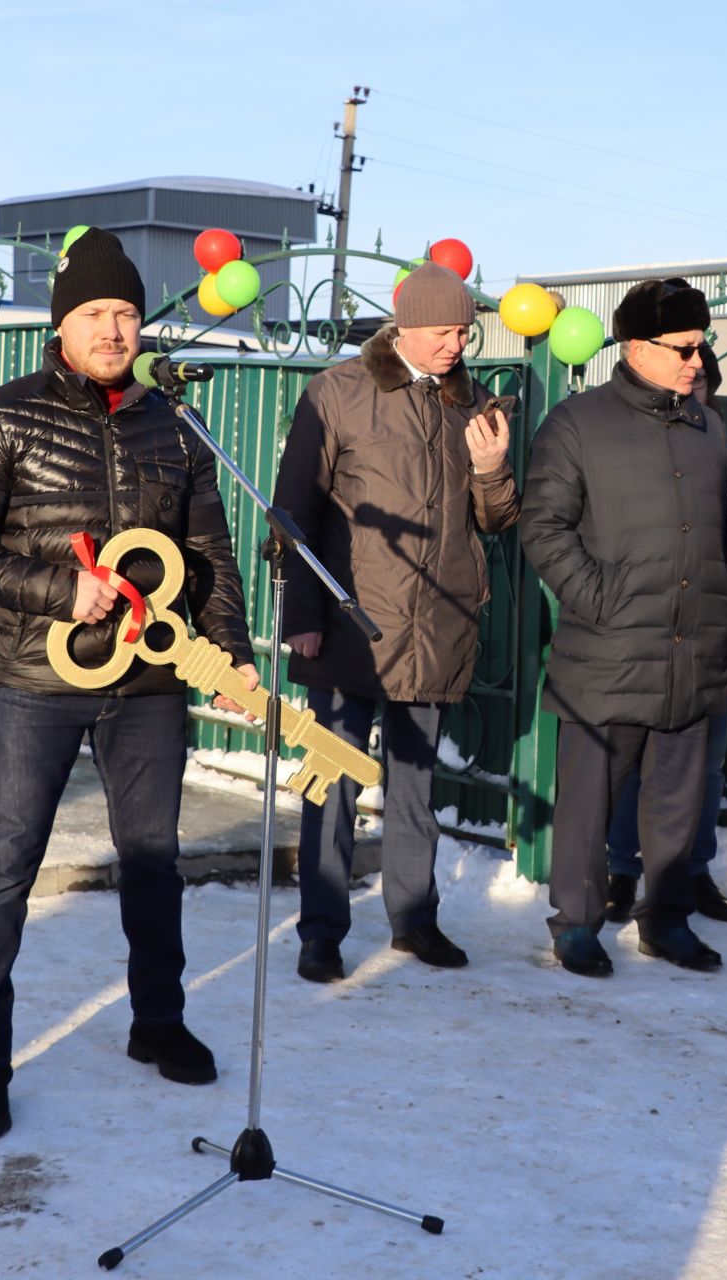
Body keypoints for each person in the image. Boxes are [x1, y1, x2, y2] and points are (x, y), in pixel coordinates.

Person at [0, 228, 256, 1140]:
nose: (115, 329)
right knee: (6, 870)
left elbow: (211, 557)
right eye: (95, 313)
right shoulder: (3, 415)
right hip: (36, 677)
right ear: (62, 324)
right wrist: (60, 590)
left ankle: (159, 1023)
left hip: (151, 680)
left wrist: (230, 649)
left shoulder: (175, 426)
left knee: (153, 861)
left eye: (127, 313)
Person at [272, 262, 520, 983]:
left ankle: (415, 920)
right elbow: (292, 514)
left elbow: (496, 520)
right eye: (445, 331)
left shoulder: (469, 403)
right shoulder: (339, 392)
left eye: (466, 332)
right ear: (404, 325)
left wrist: (493, 469)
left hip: (436, 624)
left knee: (416, 785)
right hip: (350, 621)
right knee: (334, 781)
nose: (457, 345)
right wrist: (303, 617)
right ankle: (321, 929)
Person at [521, 278, 727, 977]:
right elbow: (544, 526)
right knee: (588, 803)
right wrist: (601, 600)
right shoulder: (578, 423)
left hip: (693, 649)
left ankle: (666, 917)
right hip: (608, 654)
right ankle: (576, 923)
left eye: (701, 346)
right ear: (635, 346)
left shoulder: (709, 428)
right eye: (684, 348)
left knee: (678, 804)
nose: (696, 360)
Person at [603, 343, 727, 926]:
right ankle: (620, 871)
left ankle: (693, 870)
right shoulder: (628, 439)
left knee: (705, 764)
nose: (692, 386)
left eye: (702, 379)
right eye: (685, 373)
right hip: (642, 635)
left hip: (715, 637)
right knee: (631, 760)